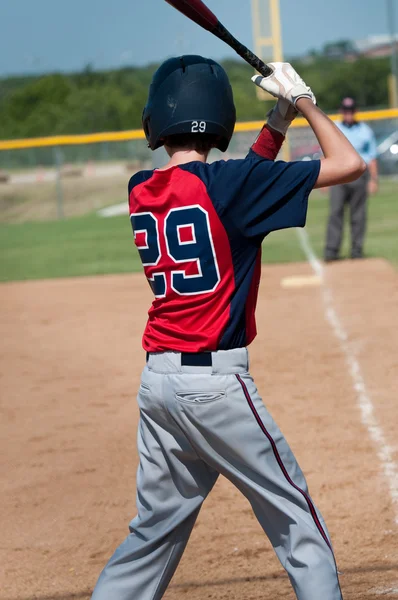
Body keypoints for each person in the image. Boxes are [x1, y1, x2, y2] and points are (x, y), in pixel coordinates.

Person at [91, 57, 365, 600]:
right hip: (215, 388)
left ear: (156, 119)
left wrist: (278, 124)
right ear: (220, 116)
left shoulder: (141, 187)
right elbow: (348, 163)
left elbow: (238, 186)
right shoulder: (231, 185)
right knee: (295, 519)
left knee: (152, 532)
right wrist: (304, 101)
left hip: (159, 387)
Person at [324, 97, 378, 261]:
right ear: (341, 111)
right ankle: (332, 251)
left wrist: (374, 180)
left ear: (356, 111)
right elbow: (325, 152)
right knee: (335, 212)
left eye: (351, 110)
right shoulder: (335, 128)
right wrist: (324, 180)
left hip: (359, 176)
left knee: (358, 214)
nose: (348, 113)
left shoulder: (365, 131)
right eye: (346, 110)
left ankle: (357, 250)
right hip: (338, 177)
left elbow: (372, 157)